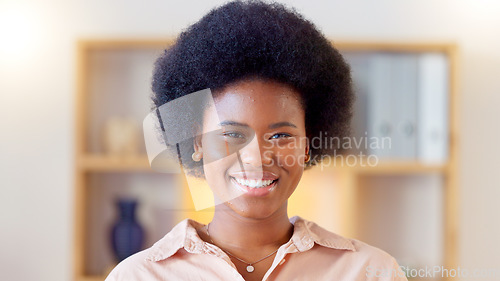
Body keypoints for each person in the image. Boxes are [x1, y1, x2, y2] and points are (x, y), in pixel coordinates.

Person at [106, 1, 408, 280]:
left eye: (280, 135)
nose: (256, 157)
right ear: (197, 142)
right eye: (233, 134)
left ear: (307, 145)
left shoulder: (370, 272)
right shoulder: (139, 276)